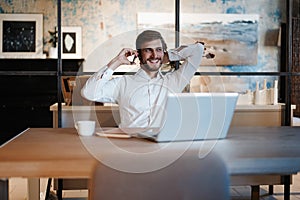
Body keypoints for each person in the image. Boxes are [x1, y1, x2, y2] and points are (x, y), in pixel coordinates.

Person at [81, 30, 204, 128]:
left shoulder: (174, 81)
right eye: (148, 50)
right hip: (131, 149)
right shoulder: (122, 83)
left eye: (158, 49)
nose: (154, 54)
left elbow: (197, 49)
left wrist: (163, 57)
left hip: (164, 149)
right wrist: (116, 62)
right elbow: (88, 92)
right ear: (138, 54)